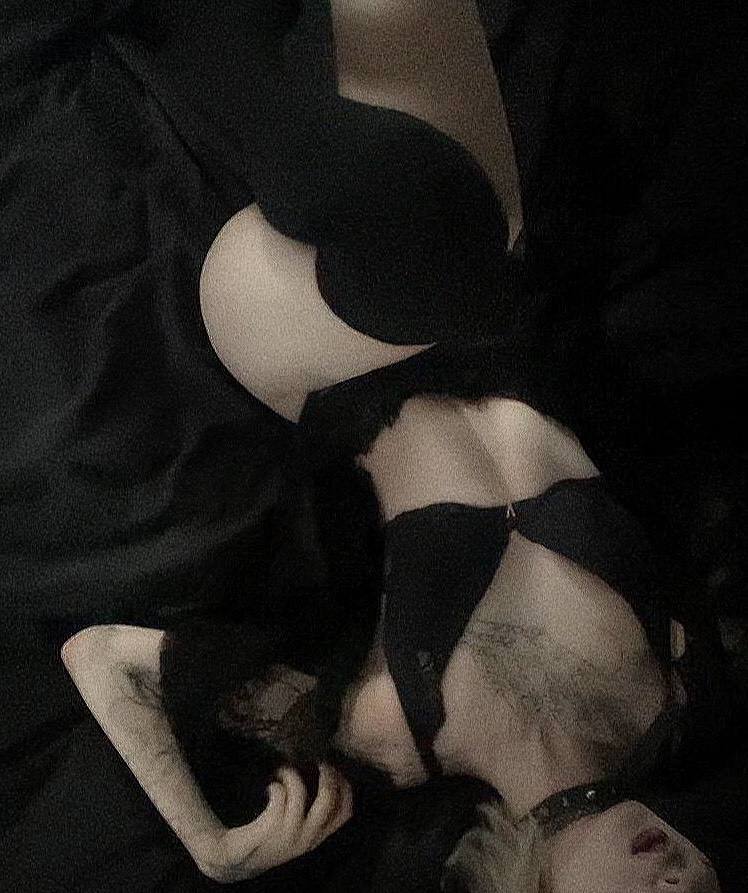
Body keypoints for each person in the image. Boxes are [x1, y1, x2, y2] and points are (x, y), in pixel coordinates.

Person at [62, 1, 735, 889]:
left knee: (441, 233)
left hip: (311, 344)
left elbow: (104, 659)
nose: (682, 884)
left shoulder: (390, 737)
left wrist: (214, 848)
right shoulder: (685, 688)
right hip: (484, 285)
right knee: (446, 171)